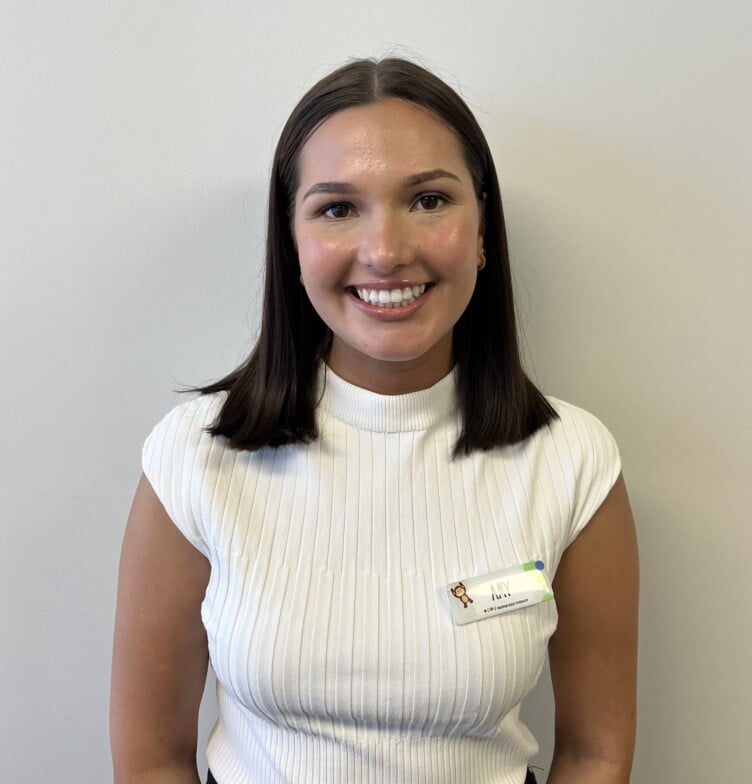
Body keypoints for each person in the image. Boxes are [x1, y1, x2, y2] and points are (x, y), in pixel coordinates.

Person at [110, 57, 638, 784]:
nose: (386, 251)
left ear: (482, 229)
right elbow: (152, 761)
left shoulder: (573, 462)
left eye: (428, 200)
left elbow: (594, 755)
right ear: (291, 243)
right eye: (336, 208)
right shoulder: (197, 458)